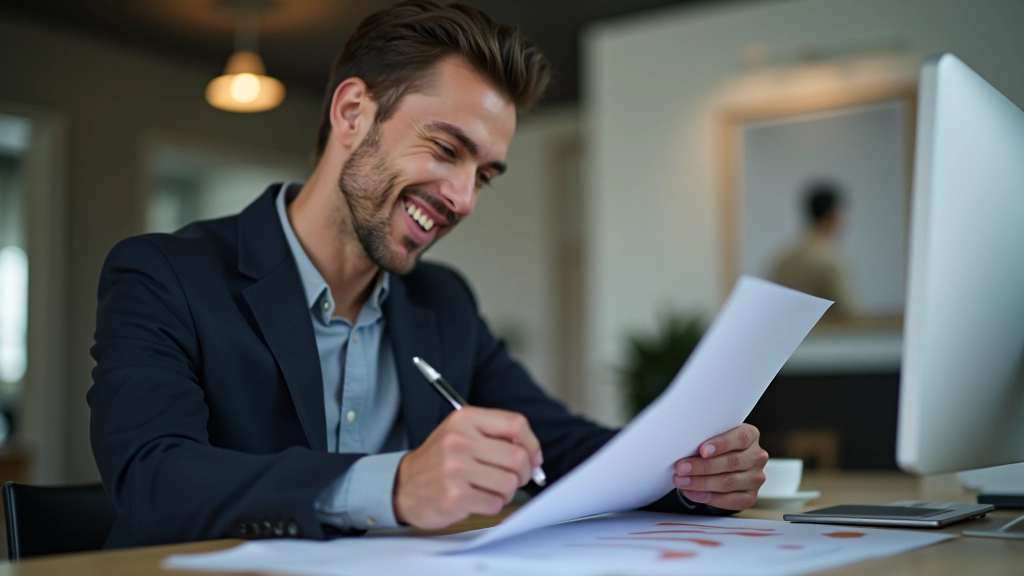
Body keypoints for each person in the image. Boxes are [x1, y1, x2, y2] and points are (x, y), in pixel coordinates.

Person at [88, 0, 767, 548]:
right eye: (446, 148)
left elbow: (554, 446)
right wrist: (391, 487)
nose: (464, 198)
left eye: (484, 176)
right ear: (353, 112)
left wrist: (687, 473)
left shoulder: (444, 303)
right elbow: (152, 478)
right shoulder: (163, 275)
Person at [771, 182, 854, 320]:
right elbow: (849, 315)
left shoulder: (783, 261)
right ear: (833, 216)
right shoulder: (828, 263)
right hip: (828, 339)